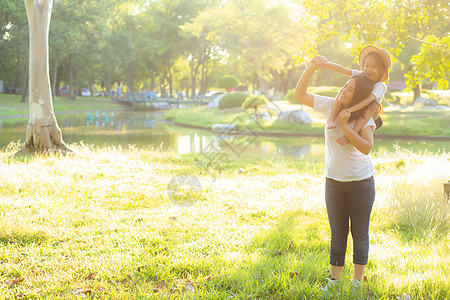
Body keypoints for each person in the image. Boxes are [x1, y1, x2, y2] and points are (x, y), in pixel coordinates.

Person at [294, 56, 377, 290]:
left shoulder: (364, 116)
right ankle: (334, 280)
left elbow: (366, 147)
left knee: (359, 233)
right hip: (334, 181)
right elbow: (299, 94)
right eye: (344, 86)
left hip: (361, 182)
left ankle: (357, 282)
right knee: (337, 232)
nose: (343, 90)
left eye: (349, 89)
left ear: (358, 97)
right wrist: (313, 66)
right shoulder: (330, 105)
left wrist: (345, 127)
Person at [318, 45, 391, 146]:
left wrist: (350, 110)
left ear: (382, 71)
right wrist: (327, 64)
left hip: (370, 113)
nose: (369, 69)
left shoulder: (380, 86)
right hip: (357, 109)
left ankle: (351, 135)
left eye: (374, 67)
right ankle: (331, 119)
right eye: (367, 66)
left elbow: (368, 101)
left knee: (374, 105)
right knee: (344, 88)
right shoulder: (361, 75)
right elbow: (343, 70)